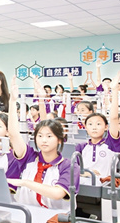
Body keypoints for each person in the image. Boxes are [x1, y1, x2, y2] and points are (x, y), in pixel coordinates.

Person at [7, 81, 78, 210]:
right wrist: (12, 101)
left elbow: (57, 193)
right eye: (40, 136)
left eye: (49, 136)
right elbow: (13, 134)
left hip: (55, 218)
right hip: (26, 214)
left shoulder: (69, 166)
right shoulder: (29, 157)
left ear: (60, 140)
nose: (43, 140)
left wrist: (25, 182)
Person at [75, 72, 120, 184]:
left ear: (106, 127)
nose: (94, 127)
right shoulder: (81, 146)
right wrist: (86, 173)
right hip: (83, 185)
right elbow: (75, 169)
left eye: (98, 124)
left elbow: (114, 118)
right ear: (85, 127)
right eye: (90, 124)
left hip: (105, 186)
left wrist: (114, 90)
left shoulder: (111, 143)